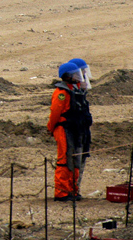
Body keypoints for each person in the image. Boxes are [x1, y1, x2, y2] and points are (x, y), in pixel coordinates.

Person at [48, 62, 90, 201]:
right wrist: (51, 128)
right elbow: (55, 113)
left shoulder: (75, 90)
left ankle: (72, 190)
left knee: (75, 160)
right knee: (64, 160)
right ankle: (61, 192)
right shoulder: (61, 93)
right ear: (67, 76)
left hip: (75, 130)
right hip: (63, 129)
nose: (78, 77)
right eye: (75, 74)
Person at [68, 58, 94, 189]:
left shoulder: (79, 93)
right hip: (75, 133)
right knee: (74, 162)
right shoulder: (69, 93)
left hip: (83, 133)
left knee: (80, 160)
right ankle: (72, 189)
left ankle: (75, 188)